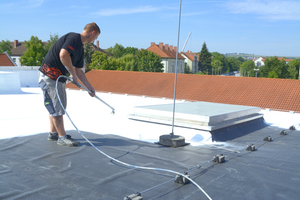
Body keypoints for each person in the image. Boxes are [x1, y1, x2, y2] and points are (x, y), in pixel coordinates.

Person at [39, 22, 100, 147]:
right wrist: (72, 74)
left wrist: (89, 88)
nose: (95, 40)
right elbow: (63, 55)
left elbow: (80, 72)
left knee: (57, 105)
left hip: (57, 79)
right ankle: (62, 137)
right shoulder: (73, 38)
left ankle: (53, 133)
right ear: (92, 33)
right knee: (58, 107)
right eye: (96, 37)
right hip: (49, 76)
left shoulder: (80, 48)